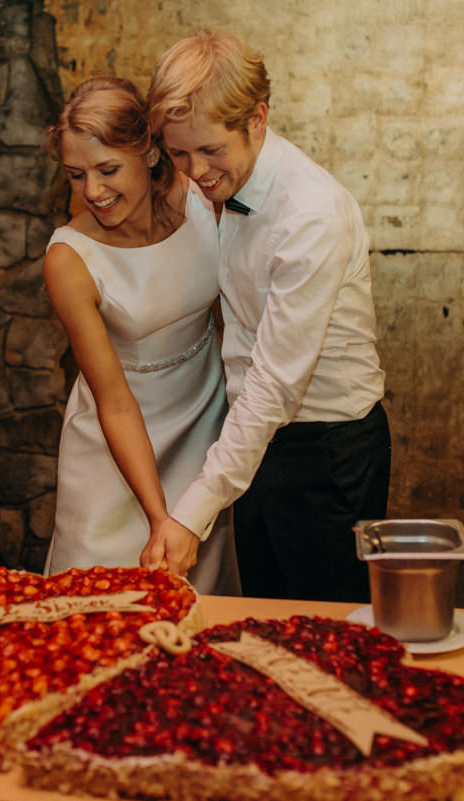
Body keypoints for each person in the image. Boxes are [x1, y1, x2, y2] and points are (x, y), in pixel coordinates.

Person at [141, 31, 390, 602]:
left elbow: (277, 383)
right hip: (257, 440)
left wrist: (192, 513)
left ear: (257, 118)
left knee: (325, 638)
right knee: (264, 621)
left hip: (326, 454)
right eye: (179, 153)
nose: (195, 172)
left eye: (209, 151)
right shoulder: (218, 178)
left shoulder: (309, 215)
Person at [41, 76, 240, 595]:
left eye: (108, 170)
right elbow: (114, 401)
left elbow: (234, 313)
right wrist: (158, 516)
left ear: (150, 152)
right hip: (116, 443)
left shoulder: (202, 198)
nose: (94, 192)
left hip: (204, 426)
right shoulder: (69, 259)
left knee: (200, 612)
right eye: (76, 175)